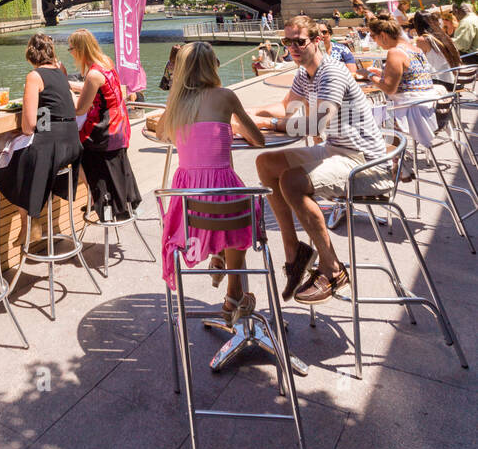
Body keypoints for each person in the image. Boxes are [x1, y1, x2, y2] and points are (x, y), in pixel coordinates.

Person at [252, 16, 391, 304]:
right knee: (266, 163)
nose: (292, 47)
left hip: (365, 161)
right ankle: (295, 250)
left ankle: (333, 269)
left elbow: (316, 124)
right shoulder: (304, 74)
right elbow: (286, 107)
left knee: (292, 181)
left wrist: (270, 126)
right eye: (287, 42)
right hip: (336, 149)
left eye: (299, 41)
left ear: (317, 40)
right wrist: (248, 115)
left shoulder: (332, 73)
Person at [159, 42, 266, 326]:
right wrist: (231, 128)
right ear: (212, 66)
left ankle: (220, 260)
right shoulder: (226, 97)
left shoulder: (176, 102)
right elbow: (259, 139)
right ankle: (234, 293)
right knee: (241, 212)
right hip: (224, 196)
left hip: (187, 204)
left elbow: (160, 133)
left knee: (223, 211)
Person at [0, 34, 82, 231]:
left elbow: (28, 126)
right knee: (27, 159)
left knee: (7, 164)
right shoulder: (60, 72)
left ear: (30, 54)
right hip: (72, 144)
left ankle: (30, 220)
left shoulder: (34, 77)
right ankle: (32, 218)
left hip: (53, 149)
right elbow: (52, 111)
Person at [68, 29, 142, 221]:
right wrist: (68, 84)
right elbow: (95, 90)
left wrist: (64, 95)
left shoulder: (93, 74)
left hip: (105, 132)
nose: (70, 53)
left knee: (74, 150)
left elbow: (80, 109)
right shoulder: (105, 63)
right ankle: (101, 197)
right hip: (120, 126)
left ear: (79, 49)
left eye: (71, 49)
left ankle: (97, 196)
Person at [366, 15, 439, 149]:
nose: (374, 41)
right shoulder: (414, 49)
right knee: (377, 113)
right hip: (432, 107)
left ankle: (394, 162)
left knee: (365, 117)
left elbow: (389, 89)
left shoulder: (395, 52)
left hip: (414, 111)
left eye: (373, 36)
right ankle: (396, 161)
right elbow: (411, 77)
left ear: (383, 35)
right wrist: (382, 73)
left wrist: (369, 75)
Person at [412, 10, 460, 87]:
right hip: (454, 78)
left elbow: (418, 61)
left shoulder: (423, 39)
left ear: (417, 24)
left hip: (440, 82)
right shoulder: (442, 34)